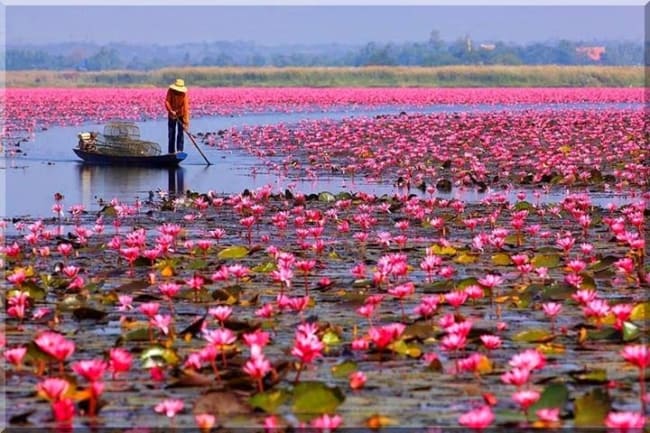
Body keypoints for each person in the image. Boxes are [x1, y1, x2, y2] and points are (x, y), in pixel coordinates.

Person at [164, 78, 190, 154]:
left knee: (180, 133)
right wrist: (171, 111)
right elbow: (167, 102)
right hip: (171, 114)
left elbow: (185, 108)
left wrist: (186, 123)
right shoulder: (171, 91)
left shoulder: (183, 94)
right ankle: (171, 152)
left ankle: (180, 150)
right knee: (171, 133)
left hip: (181, 114)